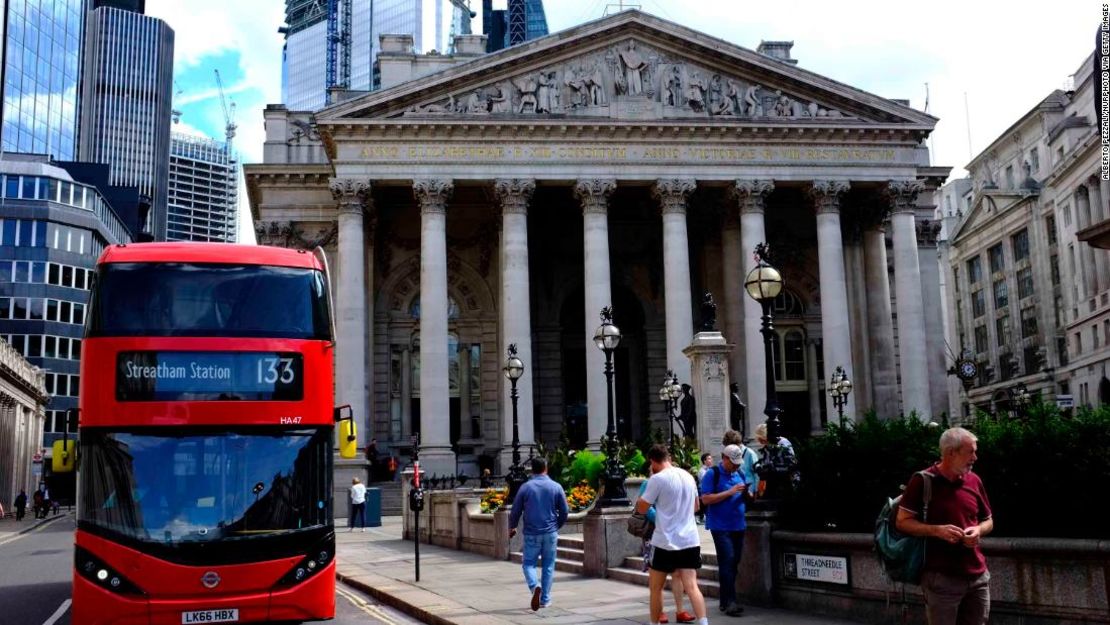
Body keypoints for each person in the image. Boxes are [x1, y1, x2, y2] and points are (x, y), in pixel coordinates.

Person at [896, 427, 993, 625]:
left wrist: (978, 530)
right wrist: (937, 530)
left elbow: (989, 520)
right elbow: (902, 522)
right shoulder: (922, 481)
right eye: (970, 452)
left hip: (977, 577)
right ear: (951, 452)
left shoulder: (974, 481)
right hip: (941, 579)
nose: (975, 457)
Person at [637, 444, 708, 625]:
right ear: (668, 457)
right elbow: (696, 507)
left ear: (653, 461)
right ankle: (703, 622)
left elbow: (642, 508)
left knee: (656, 588)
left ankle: (654, 623)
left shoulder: (657, 479)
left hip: (664, 541)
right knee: (692, 587)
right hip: (689, 539)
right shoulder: (688, 476)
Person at [700, 445, 757, 616]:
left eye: (738, 463)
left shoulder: (739, 473)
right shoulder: (713, 474)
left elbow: (748, 498)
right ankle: (731, 601)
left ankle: (725, 600)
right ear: (724, 458)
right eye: (733, 463)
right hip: (720, 526)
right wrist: (729, 492)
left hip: (738, 525)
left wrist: (747, 493)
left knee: (734, 562)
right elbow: (706, 499)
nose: (736, 466)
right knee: (727, 560)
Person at [508, 457, 569, 611]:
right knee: (548, 565)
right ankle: (545, 599)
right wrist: (557, 525)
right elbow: (565, 511)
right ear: (546, 468)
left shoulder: (525, 488)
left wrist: (512, 527)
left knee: (528, 564)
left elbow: (515, 510)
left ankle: (535, 586)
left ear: (532, 470)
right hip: (550, 532)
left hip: (531, 532)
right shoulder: (556, 487)